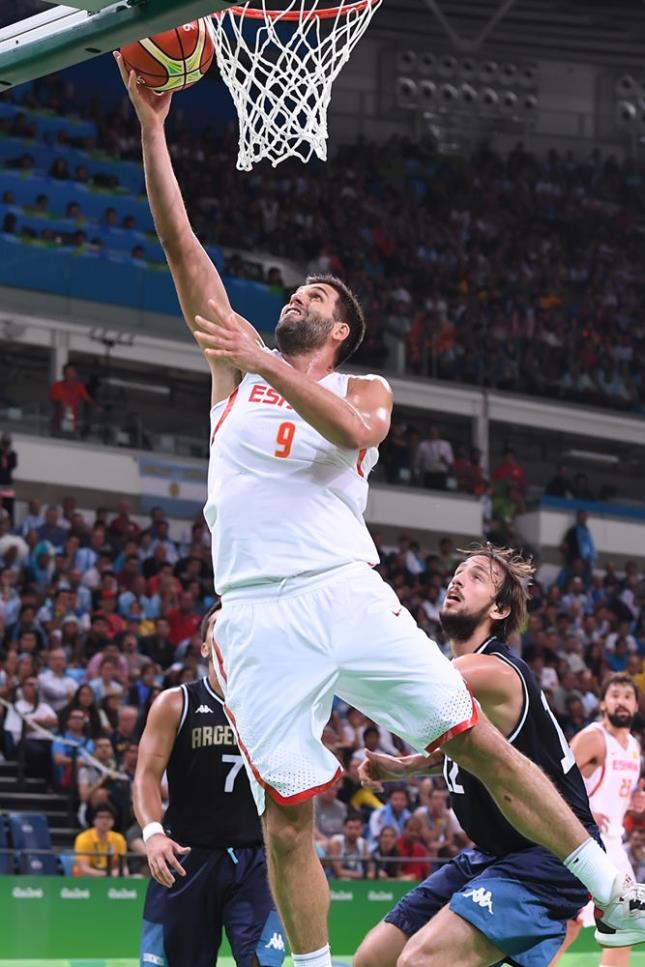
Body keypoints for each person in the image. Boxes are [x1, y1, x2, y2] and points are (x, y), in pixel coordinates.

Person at [115, 53, 645, 965]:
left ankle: (613, 890)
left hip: (341, 590)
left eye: (313, 297)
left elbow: (353, 428)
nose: (295, 297)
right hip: (251, 612)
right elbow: (182, 251)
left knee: (472, 739)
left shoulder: (363, 383)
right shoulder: (232, 374)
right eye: (294, 291)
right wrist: (154, 125)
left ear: (340, 329)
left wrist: (266, 360)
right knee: (288, 817)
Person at [354, 547, 603, 967]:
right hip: (491, 853)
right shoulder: (466, 681)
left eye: (475, 577)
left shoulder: (496, 672)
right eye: (457, 573)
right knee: (371, 960)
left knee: (420, 962)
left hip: (549, 856)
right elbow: (473, 745)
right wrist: (407, 767)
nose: (457, 580)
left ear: (500, 608)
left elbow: (412, 683)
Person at [133, 605, 285, 967]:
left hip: (254, 860)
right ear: (204, 647)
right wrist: (153, 834)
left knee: (262, 963)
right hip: (187, 857)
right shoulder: (176, 703)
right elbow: (146, 775)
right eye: (219, 627)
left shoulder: (272, 708)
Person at [553, 674, 645, 967]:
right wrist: (587, 811)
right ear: (603, 703)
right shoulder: (594, 738)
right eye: (615, 695)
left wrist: (633, 802)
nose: (621, 701)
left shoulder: (633, 746)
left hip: (613, 846)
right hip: (583, 842)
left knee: (628, 927)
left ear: (636, 705)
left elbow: (612, 794)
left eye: (627, 696)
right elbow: (551, 780)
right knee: (569, 924)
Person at [73, 802, 129, 876]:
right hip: (85, 881)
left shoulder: (119, 839)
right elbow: (84, 870)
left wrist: (122, 873)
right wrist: (108, 874)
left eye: (108, 817)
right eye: (101, 817)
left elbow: (123, 867)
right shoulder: (83, 838)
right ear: (94, 820)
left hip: (110, 880)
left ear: (113, 821)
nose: (104, 821)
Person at [0, 433, 17, 524]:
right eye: (4, 443)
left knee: (8, 506)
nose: (6, 445)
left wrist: (6, 454)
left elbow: (12, 465)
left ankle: (10, 525)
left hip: (7, 485)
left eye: (7, 443)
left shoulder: (12, 454)